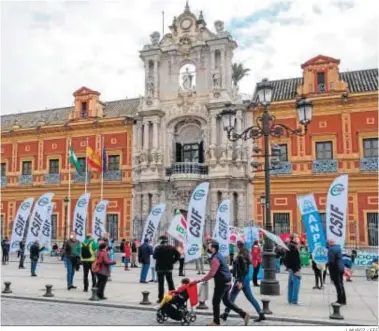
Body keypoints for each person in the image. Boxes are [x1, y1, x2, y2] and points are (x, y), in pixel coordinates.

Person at [198, 240, 250, 326]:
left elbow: (212, 273)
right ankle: (243, 314)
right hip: (227, 282)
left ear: (213, 248)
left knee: (215, 302)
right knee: (226, 301)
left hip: (221, 283)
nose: (208, 247)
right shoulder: (219, 255)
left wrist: (204, 279)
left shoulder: (215, 258)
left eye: (209, 246)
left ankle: (216, 322)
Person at [221, 241, 265, 322]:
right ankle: (261, 313)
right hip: (245, 279)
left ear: (238, 247)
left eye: (236, 247)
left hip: (241, 279)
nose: (235, 248)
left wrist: (240, 281)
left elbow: (243, 270)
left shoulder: (241, 256)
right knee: (250, 298)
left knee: (231, 297)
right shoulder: (245, 255)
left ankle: (225, 314)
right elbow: (239, 269)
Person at [154, 235, 180, 303]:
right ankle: (173, 297)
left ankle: (161, 298)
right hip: (168, 267)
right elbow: (178, 255)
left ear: (161, 241)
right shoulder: (171, 247)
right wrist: (173, 261)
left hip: (160, 268)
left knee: (161, 284)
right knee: (170, 282)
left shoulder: (158, 248)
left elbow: (154, 256)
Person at [284, 233, 301, 305]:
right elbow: (295, 260)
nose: (298, 239)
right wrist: (296, 269)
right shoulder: (293, 247)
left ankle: (290, 299)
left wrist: (288, 267)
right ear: (293, 238)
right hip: (295, 268)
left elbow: (286, 259)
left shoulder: (289, 246)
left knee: (291, 284)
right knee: (296, 284)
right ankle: (294, 300)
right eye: (297, 237)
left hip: (291, 268)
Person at [327, 239, 346, 305]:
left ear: (330, 243)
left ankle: (340, 300)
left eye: (328, 243)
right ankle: (343, 300)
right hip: (341, 268)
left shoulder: (331, 249)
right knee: (341, 284)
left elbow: (331, 262)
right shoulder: (338, 248)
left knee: (338, 285)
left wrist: (330, 272)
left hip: (335, 269)